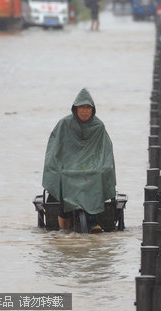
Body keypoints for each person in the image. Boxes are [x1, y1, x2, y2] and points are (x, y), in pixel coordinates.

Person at [42, 88, 117, 232]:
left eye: (88, 107)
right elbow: (54, 148)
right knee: (63, 175)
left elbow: (104, 151)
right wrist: (56, 165)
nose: (84, 111)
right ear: (75, 109)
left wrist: (102, 166)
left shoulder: (99, 126)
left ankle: (92, 221)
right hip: (68, 164)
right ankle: (64, 218)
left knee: (97, 174)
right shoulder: (64, 124)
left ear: (93, 110)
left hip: (92, 164)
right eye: (81, 107)